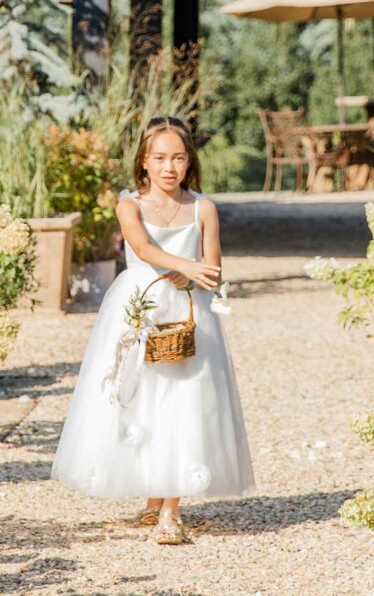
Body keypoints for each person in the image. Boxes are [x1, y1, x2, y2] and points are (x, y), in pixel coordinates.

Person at [50, 116, 255, 544]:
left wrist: (194, 276)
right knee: (141, 400)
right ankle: (151, 492)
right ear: (144, 162)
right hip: (138, 311)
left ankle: (171, 510)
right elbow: (142, 249)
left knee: (184, 401)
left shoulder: (203, 209)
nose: (169, 167)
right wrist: (183, 265)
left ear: (189, 162)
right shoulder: (130, 205)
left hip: (185, 312)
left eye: (178, 158)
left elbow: (213, 269)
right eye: (160, 158)